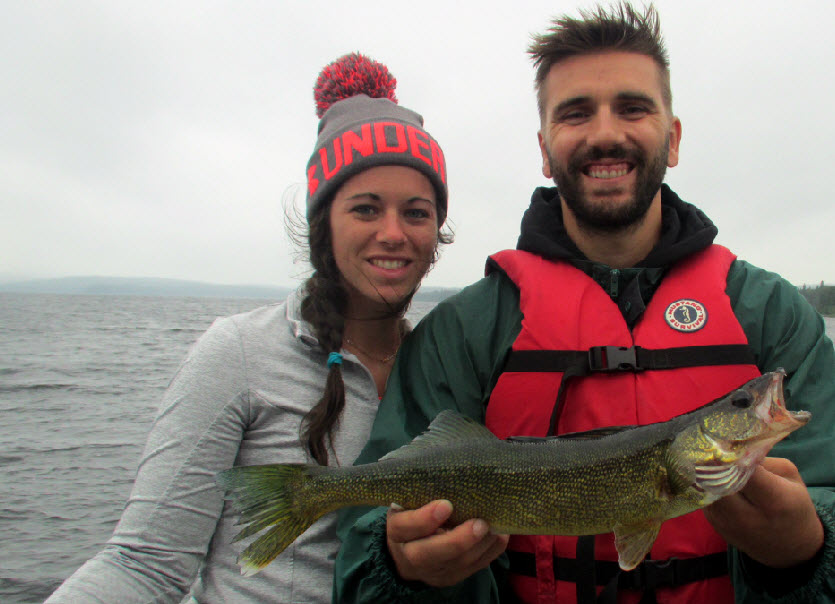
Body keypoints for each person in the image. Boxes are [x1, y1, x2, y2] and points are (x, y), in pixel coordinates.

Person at [333, 4, 835, 603]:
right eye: (575, 113)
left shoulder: (773, 316)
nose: (604, 134)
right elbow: (360, 552)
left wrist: (808, 552)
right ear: (544, 150)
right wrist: (401, 567)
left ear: (673, 139)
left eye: (633, 108)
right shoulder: (462, 333)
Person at [45, 52, 451, 603]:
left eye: (417, 212)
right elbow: (145, 564)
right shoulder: (237, 352)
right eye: (365, 209)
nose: (393, 233)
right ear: (323, 224)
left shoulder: (446, 365)